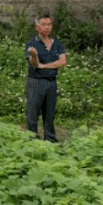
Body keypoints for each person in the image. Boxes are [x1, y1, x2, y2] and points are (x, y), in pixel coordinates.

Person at [25, 14, 67, 142]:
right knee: (33, 114)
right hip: (35, 82)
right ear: (37, 27)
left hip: (51, 83)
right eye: (43, 24)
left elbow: (62, 62)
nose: (47, 27)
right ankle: (31, 141)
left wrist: (44, 66)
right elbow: (34, 64)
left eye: (49, 24)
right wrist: (34, 56)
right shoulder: (32, 44)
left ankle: (50, 141)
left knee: (49, 114)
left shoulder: (57, 44)